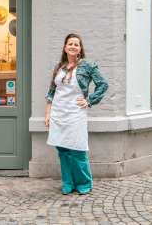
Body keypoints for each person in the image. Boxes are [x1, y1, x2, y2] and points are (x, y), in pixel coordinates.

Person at [44, 33, 109, 195]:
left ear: (80, 49)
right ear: (65, 47)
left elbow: (103, 84)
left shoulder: (86, 66)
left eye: (76, 44)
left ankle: (84, 182)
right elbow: (52, 91)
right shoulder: (59, 67)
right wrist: (48, 114)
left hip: (75, 113)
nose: (73, 47)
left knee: (77, 149)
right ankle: (68, 182)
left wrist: (90, 100)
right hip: (58, 113)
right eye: (70, 44)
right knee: (62, 150)